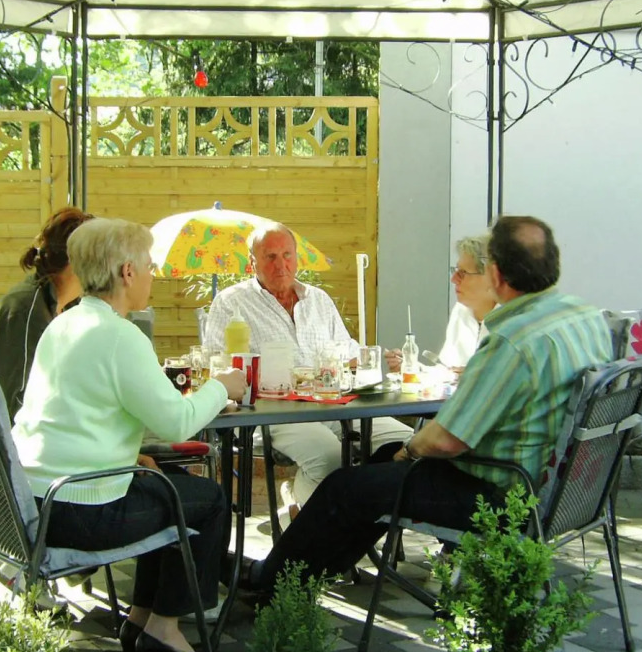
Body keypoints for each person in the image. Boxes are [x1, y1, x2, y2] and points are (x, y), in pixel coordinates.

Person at [244, 215, 611, 591]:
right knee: (371, 474)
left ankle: (270, 584)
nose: (457, 279)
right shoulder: (585, 316)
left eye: (463, 273)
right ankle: (307, 576)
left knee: (347, 486)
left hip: (499, 493)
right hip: (564, 490)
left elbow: (447, 439)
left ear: (496, 275)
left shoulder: (513, 339)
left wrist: (410, 448)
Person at [12, 218, 247, 652]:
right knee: (208, 499)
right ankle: (164, 625)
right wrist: (223, 387)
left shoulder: (64, 324)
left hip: (40, 498)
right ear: (126, 273)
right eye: (148, 264)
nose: (153, 273)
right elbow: (177, 422)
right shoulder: (122, 336)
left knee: (167, 485)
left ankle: (141, 619)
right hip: (84, 509)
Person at [204, 223, 408, 506]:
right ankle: (310, 526)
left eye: (287, 255)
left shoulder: (318, 300)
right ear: (252, 262)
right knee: (330, 459)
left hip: (335, 404)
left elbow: (350, 354)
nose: (281, 265)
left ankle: (357, 520)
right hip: (272, 412)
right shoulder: (231, 303)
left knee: (406, 444)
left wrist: (383, 362)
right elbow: (218, 366)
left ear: (297, 257)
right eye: (270, 257)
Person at [0, 206, 92, 417]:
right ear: (76, 260)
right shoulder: (26, 312)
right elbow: (20, 404)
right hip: (1, 441)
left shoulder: (63, 306)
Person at [437, 232, 497, 369]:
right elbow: (447, 369)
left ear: (490, 277)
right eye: (456, 270)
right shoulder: (461, 311)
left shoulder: (511, 320)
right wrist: (411, 367)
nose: (454, 279)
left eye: (463, 272)